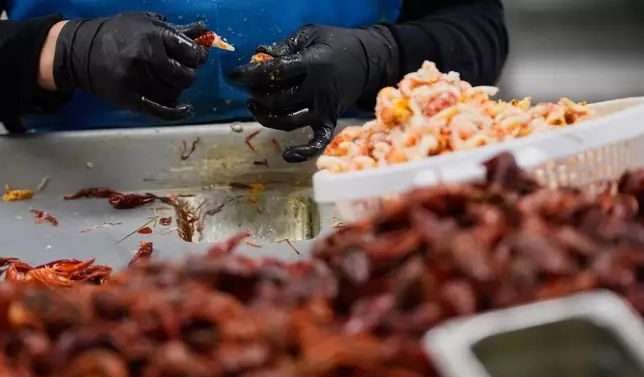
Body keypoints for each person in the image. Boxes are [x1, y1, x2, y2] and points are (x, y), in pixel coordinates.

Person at [1, 0, 508, 162]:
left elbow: (475, 27)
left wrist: (384, 54)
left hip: (350, 182)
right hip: (63, 180)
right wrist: (57, 50)